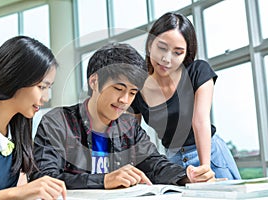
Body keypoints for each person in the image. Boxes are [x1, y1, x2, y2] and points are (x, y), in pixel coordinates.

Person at [30, 43, 215, 190]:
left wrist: (186, 176)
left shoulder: (129, 126)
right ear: (94, 82)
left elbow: (154, 163)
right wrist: (104, 180)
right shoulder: (57, 122)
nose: (124, 100)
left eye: (133, 93)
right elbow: (44, 178)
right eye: (118, 89)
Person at [130, 12, 241, 180]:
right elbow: (132, 136)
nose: (167, 59)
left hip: (209, 155)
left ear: (186, 54)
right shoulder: (136, 87)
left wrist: (205, 167)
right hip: (172, 163)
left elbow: (200, 121)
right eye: (162, 48)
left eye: (177, 52)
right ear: (150, 45)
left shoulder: (198, 72)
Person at [0, 36, 66, 199]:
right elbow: (16, 193)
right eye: (41, 87)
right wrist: (17, 193)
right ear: (15, 77)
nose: (46, 97)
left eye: (49, 88)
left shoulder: (17, 129)